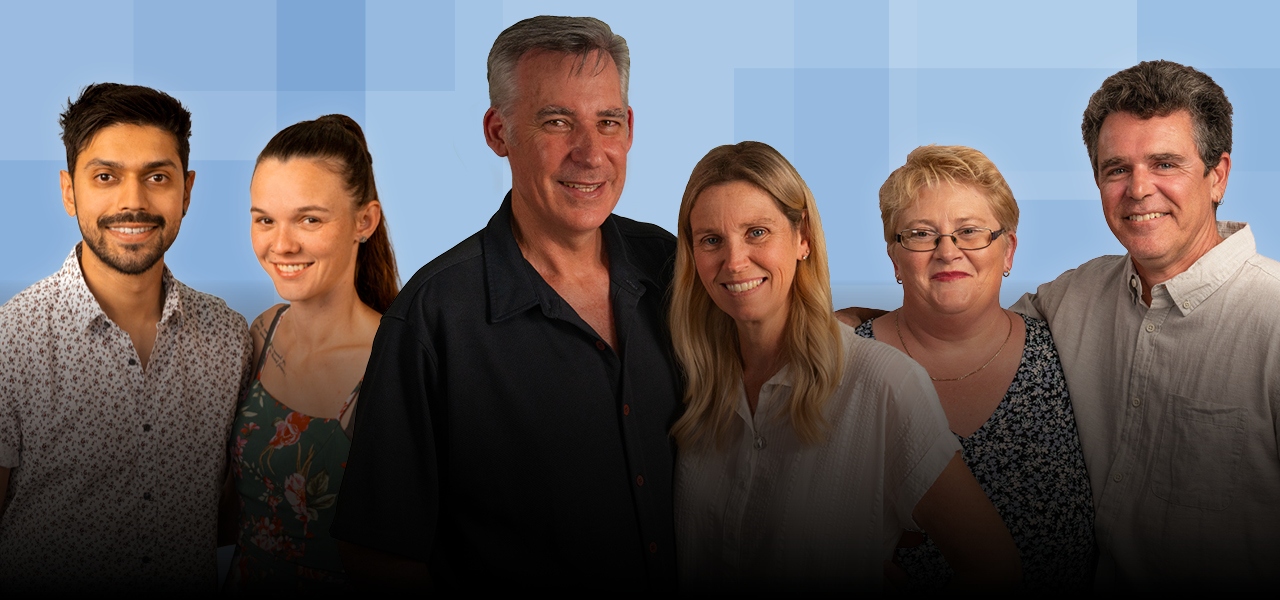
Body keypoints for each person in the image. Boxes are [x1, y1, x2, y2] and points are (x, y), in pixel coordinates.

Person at [330, 16, 681, 592]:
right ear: (499, 133)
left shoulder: (672, 267)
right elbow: (376, 552)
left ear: (630, 128)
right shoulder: (432, 317)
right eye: (557, 122)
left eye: (607, 122)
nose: (591, 154)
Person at [672, 141, 1021, 592]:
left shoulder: (884, 384)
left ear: (803, 239)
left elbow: (998, 570)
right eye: (711, 240)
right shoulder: (688, 384)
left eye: (757, 232)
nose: (735, 261)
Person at [1009, 60, 1280, 587]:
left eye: (1165, 163)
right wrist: (861, 326)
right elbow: (968, 335)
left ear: (1217, 174)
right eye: (1117, 169)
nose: (1138, 189)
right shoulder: (1071, 298)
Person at [0, 83, 252, 592]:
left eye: (157, 176)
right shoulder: (10, 342)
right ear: (70, 191)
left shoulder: (230, 338)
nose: (132, 202)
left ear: (187, 190)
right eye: (105, 177)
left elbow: (229, 510)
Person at [852, 144, 1093, 590]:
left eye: (970, 231)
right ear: (894, 256)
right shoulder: (846, 367)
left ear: (1008, 251)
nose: (948, 251)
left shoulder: (1067, 352)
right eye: (922, 233)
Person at [223, 115, 397, 592]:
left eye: (309, 219)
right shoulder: (263, 334)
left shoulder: (395, 364)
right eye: (265, 220)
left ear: (365, 221)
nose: (281, 244)